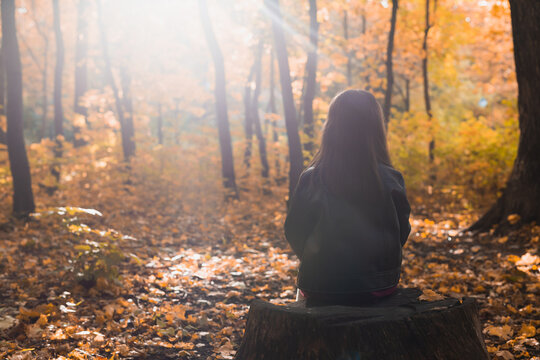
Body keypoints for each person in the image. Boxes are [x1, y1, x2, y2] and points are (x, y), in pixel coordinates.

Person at [284, 89, 411, 306]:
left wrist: (317, 262)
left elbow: (294, 231)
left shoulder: (312, 178)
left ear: (332, 128)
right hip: (379, 286)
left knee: (303, 298)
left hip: (320, 286)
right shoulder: (391, 179)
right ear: (376, 130)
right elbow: (402, 231)